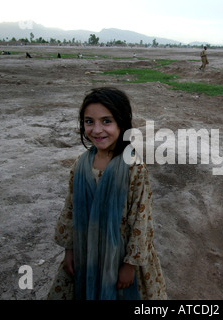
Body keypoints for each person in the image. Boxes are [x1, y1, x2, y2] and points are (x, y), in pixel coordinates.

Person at [46, 87, 167, 300]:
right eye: (89, 121)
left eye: (106, 121)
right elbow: (70, 208)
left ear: (122, 123)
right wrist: (69, 249)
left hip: (120, 257)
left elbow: (142, 219)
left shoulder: (134, 168)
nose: (97, 130)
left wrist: (130, 265)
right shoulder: (81, 164)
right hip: (86, 252)